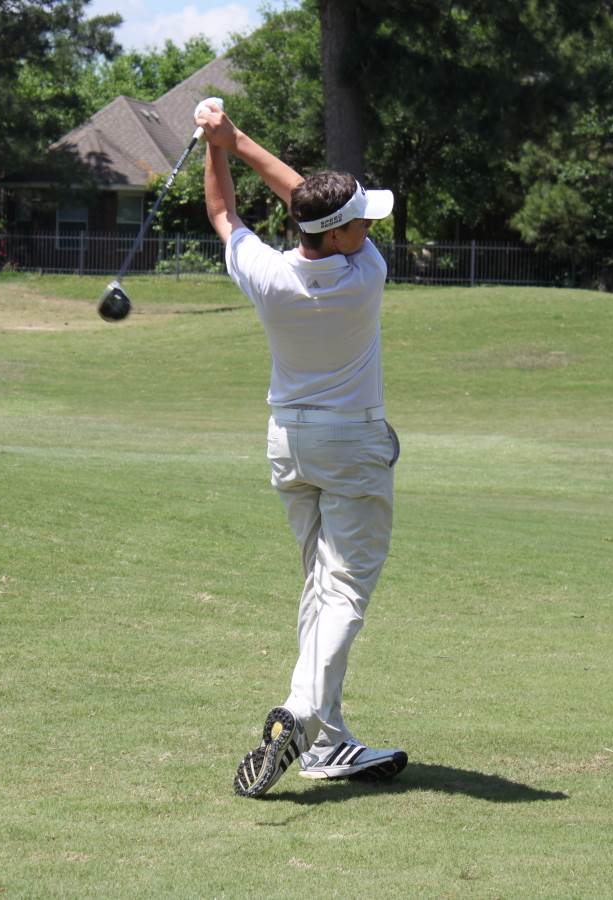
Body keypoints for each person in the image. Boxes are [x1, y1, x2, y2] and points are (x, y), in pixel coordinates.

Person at [194, 102, 407, 797]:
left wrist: (217, 146)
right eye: (360, 218)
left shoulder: (268, 276)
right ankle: (300, 713)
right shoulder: (364, 273)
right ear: (340, 234)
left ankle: (330, 742)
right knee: (344, 588)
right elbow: (298, 196)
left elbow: (226, 214)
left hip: (288, 443)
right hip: (352, 443)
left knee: (319, 584)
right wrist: (240, 140)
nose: (370, 224)